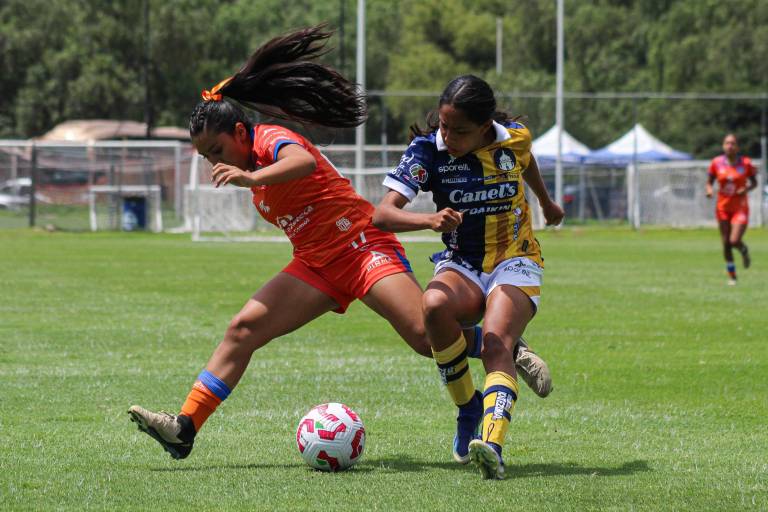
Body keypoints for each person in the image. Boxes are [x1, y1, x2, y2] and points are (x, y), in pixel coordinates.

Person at [127, 27, 551, 461]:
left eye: (217, 150)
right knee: (243, 329)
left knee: (426, 339)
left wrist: (251, 178)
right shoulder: (248, 162)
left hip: (363, 247)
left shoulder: (269, 140)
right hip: (316, 265)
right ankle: (185, 427)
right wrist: (249, 177)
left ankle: (501, 345)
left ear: (240, 131)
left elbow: (302, 161)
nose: (214, 162)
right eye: (206, 157)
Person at [373, 75, 564, 479]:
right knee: (433, 307)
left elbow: (525, 160)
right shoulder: (427, 150)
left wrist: (546, 202)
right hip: (462, 260)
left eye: (459, 131)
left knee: (496, 343)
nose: (448, 136)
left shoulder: (514, 138)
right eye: (444, 126)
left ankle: (492, 446)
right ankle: (467, 407)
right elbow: (382, 214)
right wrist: (429, 219)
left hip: (516, 258)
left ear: (484, 126)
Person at [706, 133, 757, 285]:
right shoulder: (716, 163)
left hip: (740, 208)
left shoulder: (746, 163)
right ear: (723, 146)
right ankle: (732, 276)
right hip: (722, 208)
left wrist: (746, 189)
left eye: (733, 143)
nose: (730, 146)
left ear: (737, 147)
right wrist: (709, 190)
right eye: (727, 143)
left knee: (734, 240)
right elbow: (709, 182)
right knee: (726, 243)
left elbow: (754, 183)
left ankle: (743, 250)